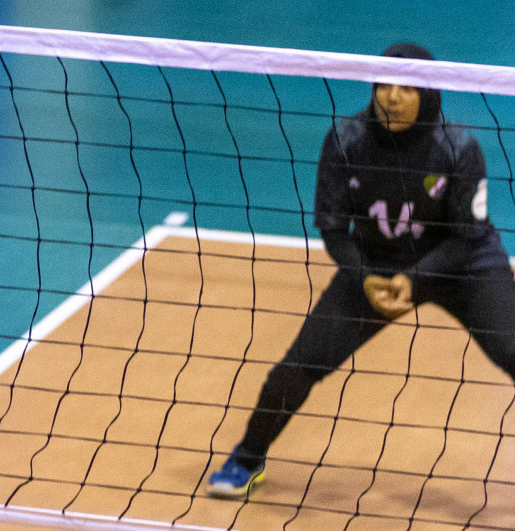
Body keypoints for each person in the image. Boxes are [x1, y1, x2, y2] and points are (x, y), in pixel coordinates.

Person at [208, 42, 515, 498]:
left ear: (428, 93)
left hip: (462, 265)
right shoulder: (346, 140)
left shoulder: (457, 147)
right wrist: (364, 276)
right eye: (383, 85)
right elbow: (333, 228)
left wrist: (413, 279)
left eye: (406, 87)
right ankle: (248, 458)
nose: (392, 97)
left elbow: (467, 235)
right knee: (295, 369)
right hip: (375, 266)